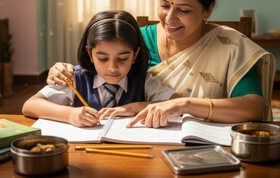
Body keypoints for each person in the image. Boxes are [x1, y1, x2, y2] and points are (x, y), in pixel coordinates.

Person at [46, 0, 275, 128]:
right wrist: (60, 71)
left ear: (208, 10)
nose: (170, 17)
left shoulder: (229, 45)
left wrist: (183, 104)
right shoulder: (137, 40)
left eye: (183, 10)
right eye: (165, 5)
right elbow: (96, 66)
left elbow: (252, 107)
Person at [23, 10, 178, 127]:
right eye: (102, 58)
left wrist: (134, 107)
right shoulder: (75, 78)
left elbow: (178, 103)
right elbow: (30, 105)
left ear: (135, 54)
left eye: (122, 58)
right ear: (90, 54)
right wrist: (70, 114)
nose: (112, 68)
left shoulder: (144, 81)